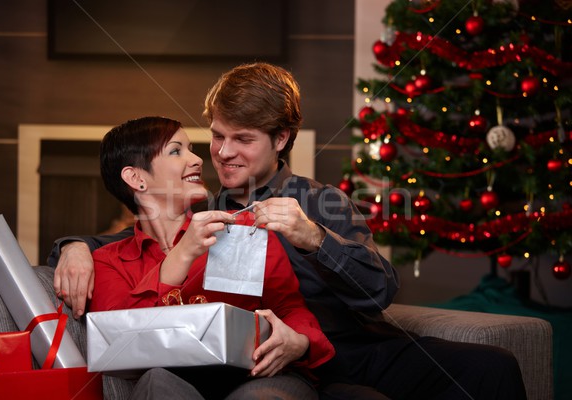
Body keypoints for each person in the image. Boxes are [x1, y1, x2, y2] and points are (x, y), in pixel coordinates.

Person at [50, 63, 527, 400]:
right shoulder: (206, 211)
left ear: (280, 140)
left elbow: (380, 290)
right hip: (264, 360)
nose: (222, 152)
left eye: (243, 139)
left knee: (491, 367)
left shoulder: (322, 202)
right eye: (217, 135)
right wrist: (73, 247)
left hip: (346, 347)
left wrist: (314, 238)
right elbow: (138, 242)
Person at [90, 116, 335, 400]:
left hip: (260, 377)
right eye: (176, 150)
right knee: (156, 383)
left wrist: (299, 340)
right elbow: (118, 344)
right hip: (178, 384)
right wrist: (183, 254)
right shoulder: (109, 262)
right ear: (136, 178)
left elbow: (290, 308)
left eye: (192, 148)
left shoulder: (241, 231)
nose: (197, 159)